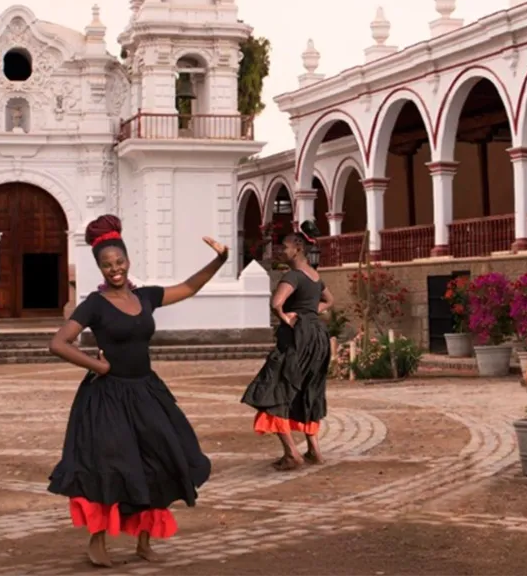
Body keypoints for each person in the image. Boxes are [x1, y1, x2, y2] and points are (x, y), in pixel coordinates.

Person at [47, 214, 226, 568]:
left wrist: (219, 260)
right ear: (99, 268)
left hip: (146, 392)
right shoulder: (94, 305)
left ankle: (144, 540)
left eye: (119, 262)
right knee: (109, 467)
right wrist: (98, 366)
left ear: (128, 261)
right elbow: (58, 343)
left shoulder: (145, 297)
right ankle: (97, 541)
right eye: (107, 265)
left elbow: (189, 287)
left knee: (158, 462)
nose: (115, 269)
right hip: (107, 398)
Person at [241, 220, 334, 471]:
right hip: (318, 338)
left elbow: (276, 302)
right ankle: (314, 450)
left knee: (275, 390)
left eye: (285, 246)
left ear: (298, 248)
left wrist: (288, 317)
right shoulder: (315, 276)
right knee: (308, 390)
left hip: (298, 338)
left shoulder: (292, 275)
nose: (282, 250)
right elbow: (330, 300)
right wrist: (311, 312)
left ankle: (292, 453)